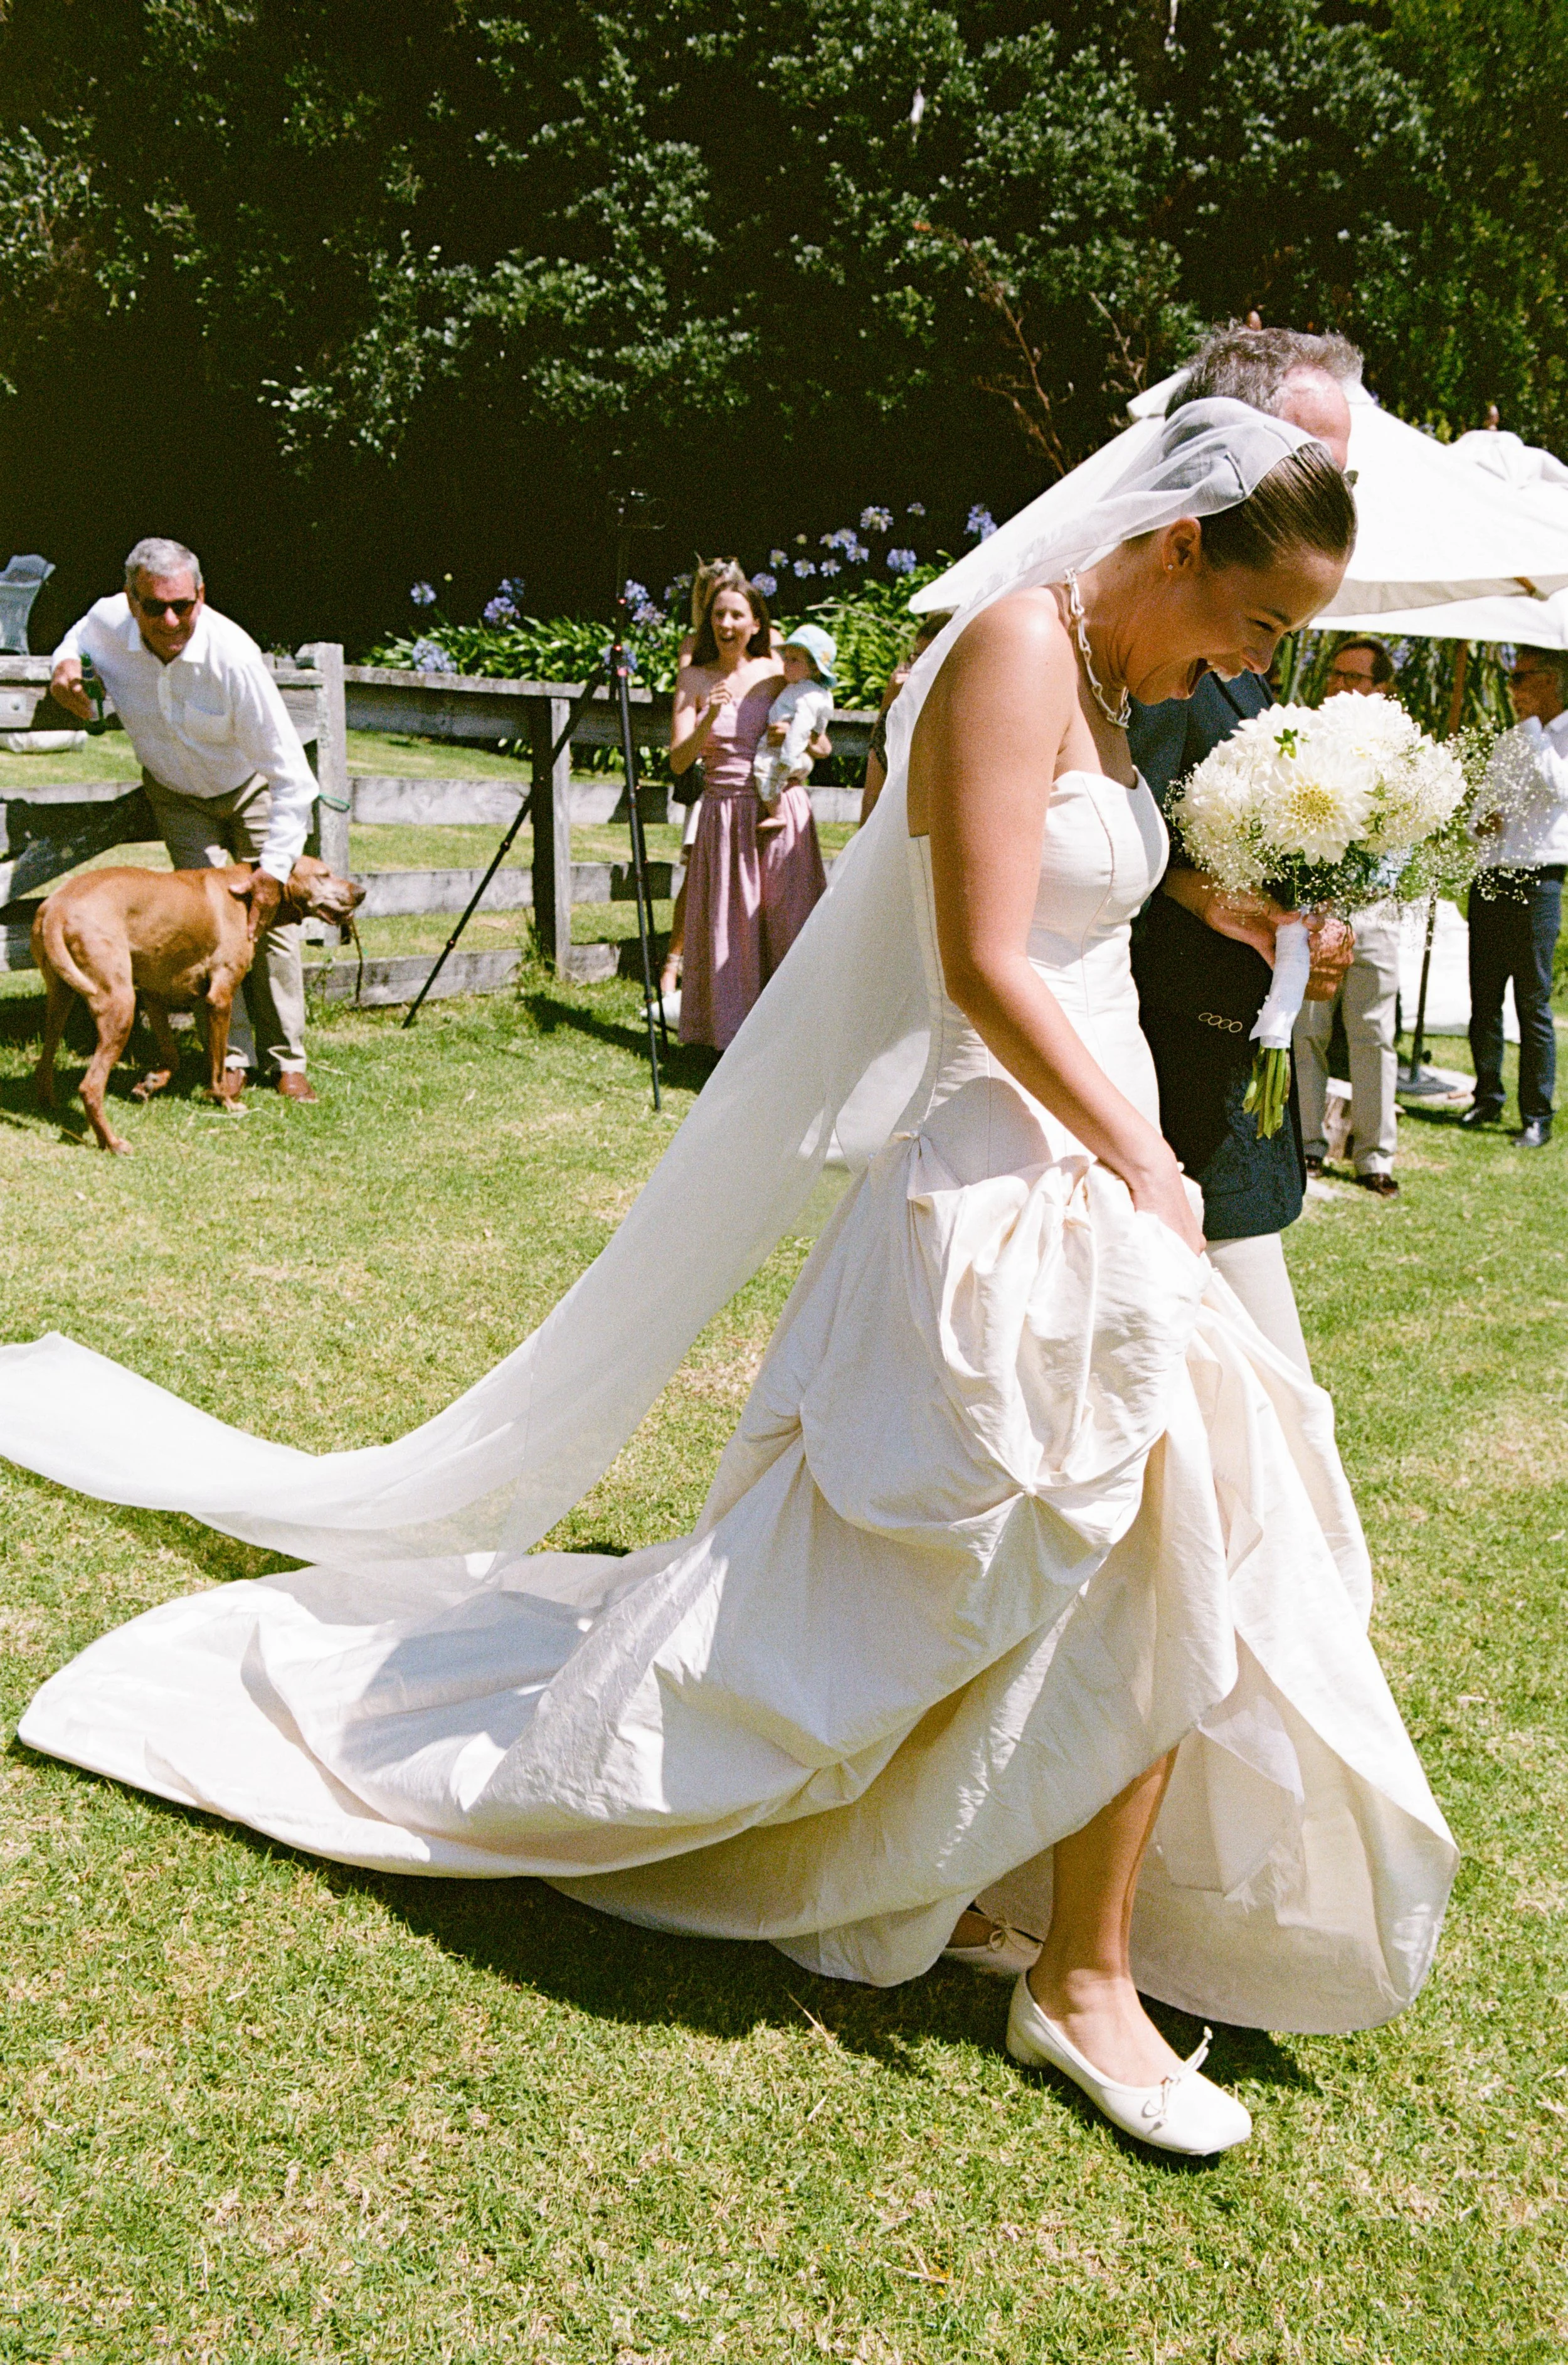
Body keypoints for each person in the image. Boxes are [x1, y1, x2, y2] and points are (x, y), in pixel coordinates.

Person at [8, 403, 1455, 2162]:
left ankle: (1034, 1911)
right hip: (1012, 1165)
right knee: (1143, 1511)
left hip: (1091, 1151)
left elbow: (1082, 933)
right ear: (1175, 546)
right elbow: (987, 961)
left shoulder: (1100, 672)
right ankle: (1076, 1981)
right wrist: (1139, 1163)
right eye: (1258, 625)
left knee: (1143, 1522)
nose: (1252, 664)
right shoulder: (1010, 646)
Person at [1130, 325, 1360, 1371]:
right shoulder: (1164, 658)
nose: (1333, 497)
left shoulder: (1244, 653)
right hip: (1168, 1082)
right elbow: (1106, 860)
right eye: (1311, 467)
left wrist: (1306, 929)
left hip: (1236, 1072)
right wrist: (1205, 893)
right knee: (1271, 1407)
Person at [50, 538, 323, 1102]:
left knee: (266, 922)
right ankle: (232, 1058)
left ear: (202, 595)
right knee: (202, 932)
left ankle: (288, 1058)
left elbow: (294, 778)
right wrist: (64, 663)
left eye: (184, 605)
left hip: (250, 788)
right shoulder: (108, 622)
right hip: (176, 795)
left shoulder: (234, 657)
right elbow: (78, 629)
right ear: (131, 601)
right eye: (155, 608)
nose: (171, 620)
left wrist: (272, 871)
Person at [669, 570, 827, 1049]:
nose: (727, 622)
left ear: (757, 624)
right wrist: (708, 718)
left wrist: (798, 744)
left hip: (780, 808)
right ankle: (729, 1039)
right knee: (732, 930)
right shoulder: (693, 679)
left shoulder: (777, 676)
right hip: (723, 814)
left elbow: (823, 743)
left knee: (789, 919)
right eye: (718, 614)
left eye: (737, 614)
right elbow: (678, 760)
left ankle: (799, 1039)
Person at [1292, 637, 1404, 1196]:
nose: (1340, 685)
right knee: (1307, 1030)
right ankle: (1309, 1145)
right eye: (1334, 674)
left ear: (1382, 690)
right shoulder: (1306, 741)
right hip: (1317, 909)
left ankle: (1374, 1157)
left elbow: (1411, 826)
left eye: (1355, 677)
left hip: (1377, 908)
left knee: (1373, 1034)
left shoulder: (1401, 752)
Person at [1463, 644, 1568, 1147]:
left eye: (1522, 677)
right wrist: (1477, 824)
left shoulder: (1556, 737)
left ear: (1552, 679)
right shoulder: (1510, 741)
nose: (1513, 688)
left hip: (1538, 878)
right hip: (1492, 877)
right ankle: (1486, 1097)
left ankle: (1537, 1113)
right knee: (1484, 997)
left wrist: (1533, 732)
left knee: (1532, 1001)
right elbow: (1479, 811)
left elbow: (1561, 788)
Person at [860, 615, 951, 822]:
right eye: (917, 658)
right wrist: (890, 699)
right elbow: (872, 795)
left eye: (930, 658)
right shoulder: (895, 720)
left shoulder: (961, 719)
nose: (919, 667)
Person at [753, 625, 836, 833]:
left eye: (794, 660)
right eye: (786, 659)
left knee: (764, 771)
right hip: (788, 755)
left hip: (783, 756)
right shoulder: (799, 689)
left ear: (815, 668)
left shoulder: (808, 695)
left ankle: (777, 814)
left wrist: (788, 755)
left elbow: (807, 731)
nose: (786, 665)